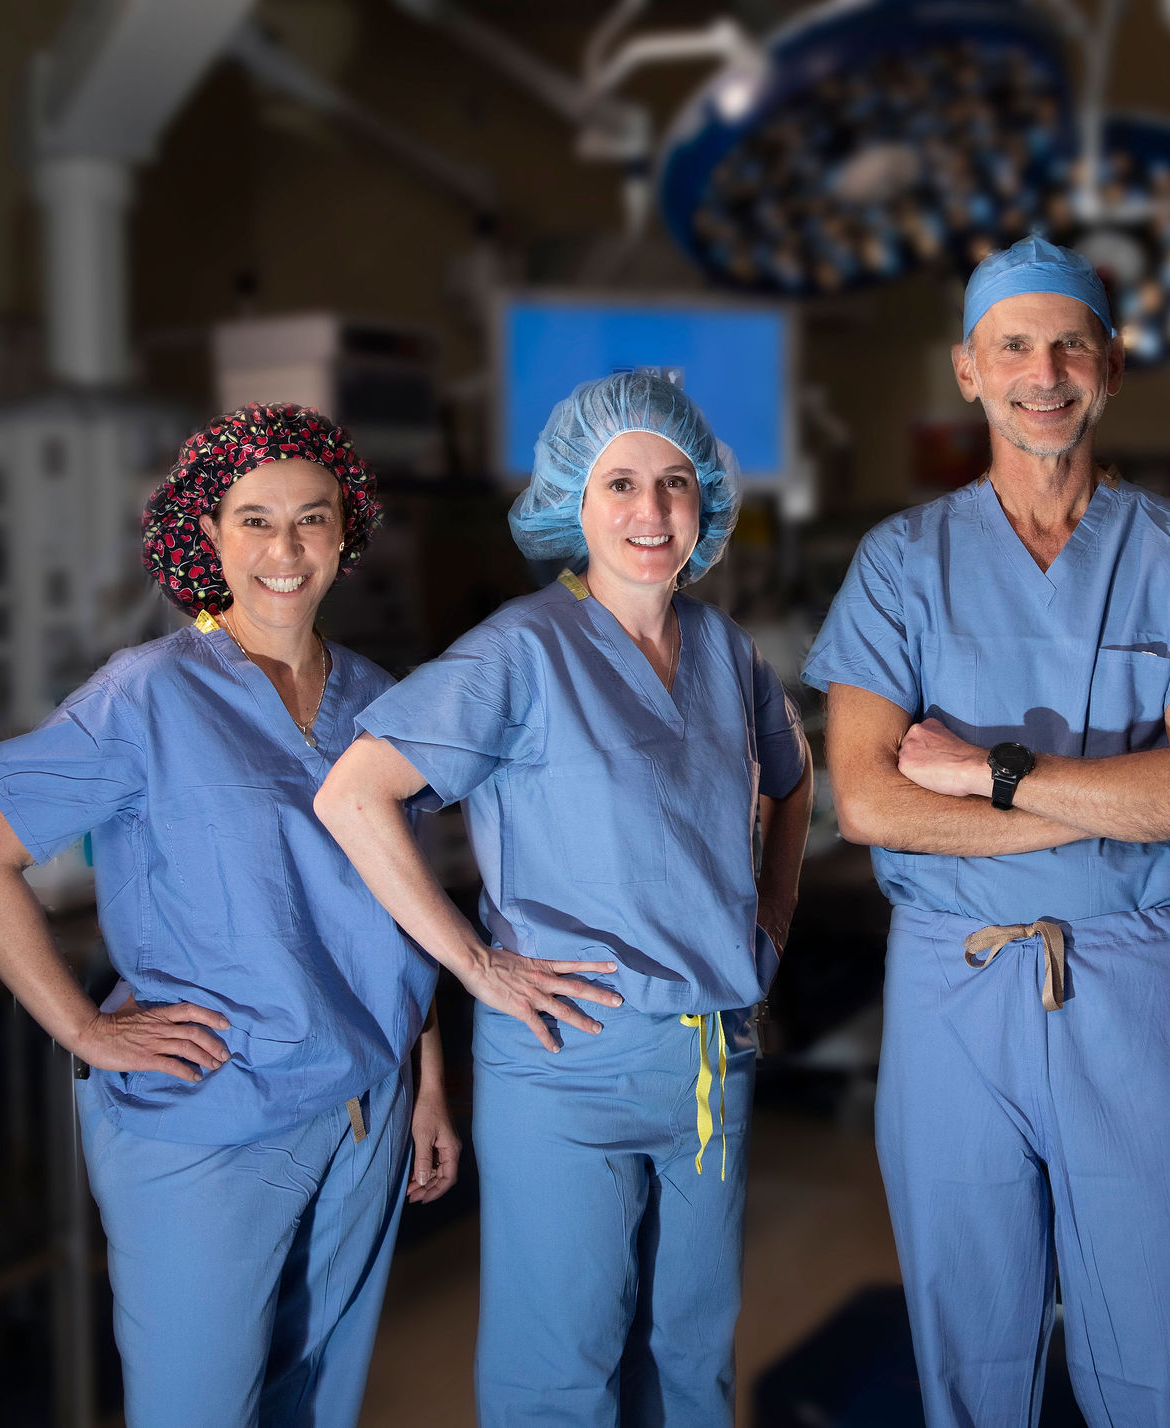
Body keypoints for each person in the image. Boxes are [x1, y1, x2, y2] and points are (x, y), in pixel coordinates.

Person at [803, 236, 1170, 1428]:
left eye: (1070, 343)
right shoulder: (900, 564)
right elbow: (867, 804)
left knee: (1160, 1322)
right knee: (968, 1325)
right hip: (951, 992)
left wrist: (989, 778)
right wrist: (1106, 807)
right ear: (967, 370)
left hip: (1128, 983)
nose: (1042, 369)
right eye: (1012, 344)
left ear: (1109, 368)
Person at [0, 403, 458, 1428]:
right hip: (214, 1119)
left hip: (366, 1107)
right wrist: (84, 1029)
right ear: (206, 535)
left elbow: (410, 908)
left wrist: (429, 1083)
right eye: (254, 518)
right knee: (199, 1408)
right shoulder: (145, 698)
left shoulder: (381, 703)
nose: (285, 547)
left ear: (346, 532)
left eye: (312, 517)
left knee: (316, 1394)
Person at [315, 371, 813, 1427]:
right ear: (570, 504)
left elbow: (791, 774)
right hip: (566, 1061)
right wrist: (476, 963)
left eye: (675, 484)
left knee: (689, 1355)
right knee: (563, 1368)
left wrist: (769, 920)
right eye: (620, 482)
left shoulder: (725, 650)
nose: (650, 511)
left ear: (706, 504)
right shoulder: (519, 650)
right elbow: (355, 795)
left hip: (709, 1057)